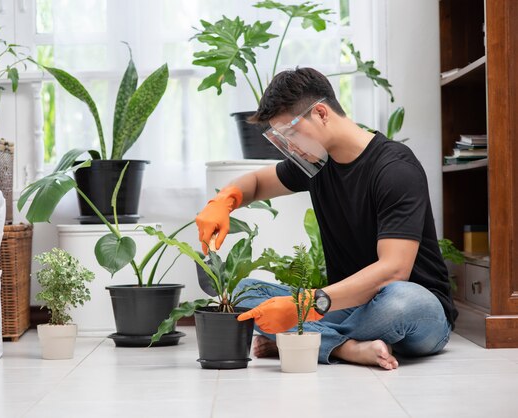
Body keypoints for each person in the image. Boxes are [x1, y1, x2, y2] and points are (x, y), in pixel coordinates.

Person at [195, 67, 457, 370]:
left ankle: (307, 340)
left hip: (416, 313)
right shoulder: (315, 163)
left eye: (291, 134)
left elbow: (394, 269)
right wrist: (223, 201)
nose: (290, 147)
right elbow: (255, 183)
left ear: (320, 113)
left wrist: (302, 307)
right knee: (242, 292)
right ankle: (347, 348)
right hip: (345, 306)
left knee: (399, 299)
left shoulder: (395, 168)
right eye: (281, 139)